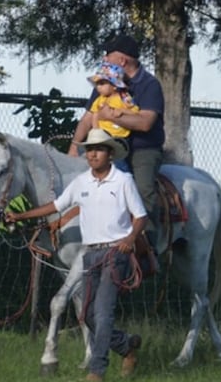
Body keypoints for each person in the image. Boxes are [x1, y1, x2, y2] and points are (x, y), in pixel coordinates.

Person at [7, 128, 146, 382]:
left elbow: (141, 216)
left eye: (99, 149)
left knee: (103, 313)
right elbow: (56, 207)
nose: (92, 154)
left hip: (115, 253)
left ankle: (97, 370)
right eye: (89, 149)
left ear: (110, 154)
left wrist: (130, 238)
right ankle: (126, 346)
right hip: (89, 254)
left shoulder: (123, 181)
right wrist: (20, 216)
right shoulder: (81, 182)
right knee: (88, 316)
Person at [69, 34, 165, 246]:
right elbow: (87, 118)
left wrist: (111, 116)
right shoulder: (104, 84)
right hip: (108, 145)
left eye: (108, 56)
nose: (104, 59)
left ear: (122, 61)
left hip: (143, 149)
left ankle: (146, 245)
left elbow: (146, 123)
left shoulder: (149, 85)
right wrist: (74, 147)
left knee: (143, 190)